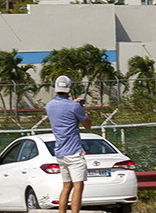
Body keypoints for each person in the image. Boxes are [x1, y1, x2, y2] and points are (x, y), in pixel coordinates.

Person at [45, 75, 92, 213]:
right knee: (78, 186)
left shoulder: (49, 106)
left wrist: (74, 105)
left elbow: (63, 111)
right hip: (74, 152)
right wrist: (82, 109)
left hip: (60, 152)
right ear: (69, 89)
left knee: (66, 187)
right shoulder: (74, 106)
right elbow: (87, 125)